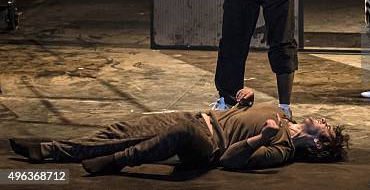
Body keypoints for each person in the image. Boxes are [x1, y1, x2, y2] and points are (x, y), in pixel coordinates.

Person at [8, 88, 349, 175]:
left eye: (326, 128)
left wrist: (260, 138)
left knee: (177, 133)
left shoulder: (282, 150)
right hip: (201, 116)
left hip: (206, 144)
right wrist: (242, 100)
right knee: (124, 128)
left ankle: (115, 162)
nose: (322, 120)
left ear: (318, 144)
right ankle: (51, 150)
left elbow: (229, 161)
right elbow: (232, 116)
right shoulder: (279, 112)